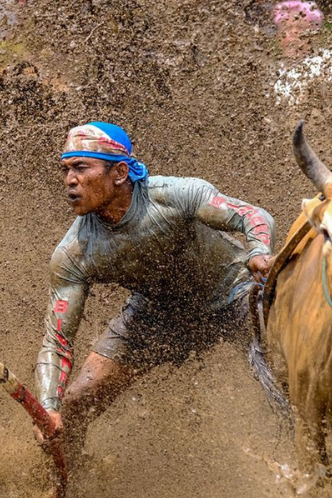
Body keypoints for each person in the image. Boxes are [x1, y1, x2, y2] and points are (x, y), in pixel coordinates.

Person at [34, 122, 275, 467]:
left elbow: (254, 216)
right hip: (156, 316)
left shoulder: (174, 195)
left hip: (233, 294)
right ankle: (68, 491)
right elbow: (57, 342)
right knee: (72, 407)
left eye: (81, 167)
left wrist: (258, 252)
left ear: (119, 172)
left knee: (286, 375)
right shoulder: (74, 252)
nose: (70, 180)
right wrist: (48, 406)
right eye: (66, 169)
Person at [271, 1, 332, 106]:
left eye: (300, 28)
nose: (293, 34)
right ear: (279, 37)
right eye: (287, 28)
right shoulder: (274, 72)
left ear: (314, 34)